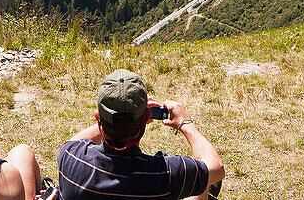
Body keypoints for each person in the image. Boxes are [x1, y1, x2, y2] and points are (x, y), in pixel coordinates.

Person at [57, 70, 224, 200]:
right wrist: (186, 124)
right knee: (204, 181)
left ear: (98, 117)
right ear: (145, 119)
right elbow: (216, 167)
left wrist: (110, 118)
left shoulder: (71, 158)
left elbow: (71, 143)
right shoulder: (166, 175)